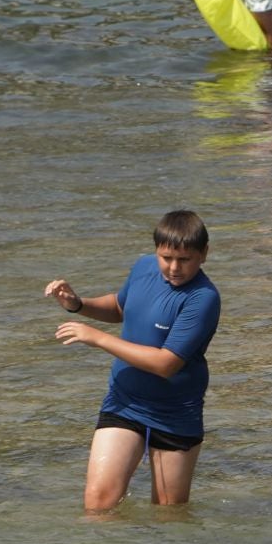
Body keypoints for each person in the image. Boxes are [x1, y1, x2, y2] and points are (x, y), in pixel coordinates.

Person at [43, 210, 221, 512]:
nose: (174, 268)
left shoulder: (203, 298)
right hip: (125, 402)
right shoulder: (143, 267)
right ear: (156, 252)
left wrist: (97, 338)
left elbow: (166, 364)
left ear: (204, 254)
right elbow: (120, 307)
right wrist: (78, 304)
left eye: (185, 260)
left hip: (174, 413)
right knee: (98, 503)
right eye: (166, 258)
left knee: (169, 515)